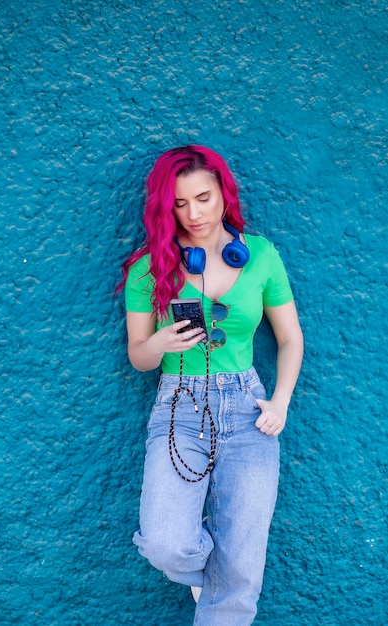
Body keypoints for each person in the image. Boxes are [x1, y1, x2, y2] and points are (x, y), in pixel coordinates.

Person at [118, 145, 303, 625]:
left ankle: (229, 585)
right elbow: (139, 357)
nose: (193, 213)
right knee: (166, 543)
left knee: (243, 573)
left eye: (203, 197)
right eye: (179, 204)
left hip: (248, 408)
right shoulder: (149, 265)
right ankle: (218, 578)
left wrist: (279, 401)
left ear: (224, 192)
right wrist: (159, 342)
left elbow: (290, 338)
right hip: (178, 405)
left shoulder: (260, 255)